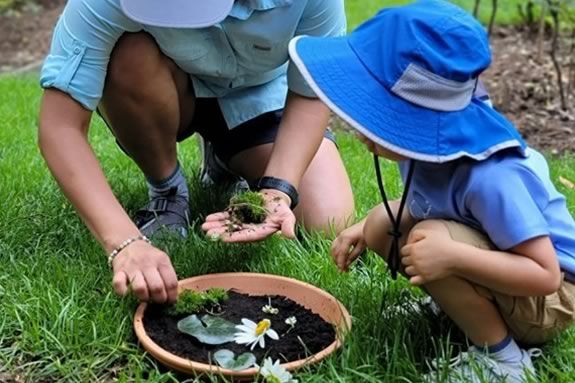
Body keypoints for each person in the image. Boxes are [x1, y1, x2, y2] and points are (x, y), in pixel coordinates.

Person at [289, 1, 575, 381]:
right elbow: (436, 204)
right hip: (509, 267)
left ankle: (503, 360)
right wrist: (366, 228)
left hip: (550, 300)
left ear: (415, 115)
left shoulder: (493, 177)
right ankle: (461, 307)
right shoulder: (426, 147)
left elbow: (545, 275)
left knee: (430, 239)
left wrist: (454, 258)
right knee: (381, 223)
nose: (358, 124)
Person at [38, 0, 354, 304]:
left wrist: (278, 190)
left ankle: (223, 157)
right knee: (127, 52)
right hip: (162, 84)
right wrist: (124, 241)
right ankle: (167, 190)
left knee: (327, 220)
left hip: (258, 95)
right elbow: (60, 126)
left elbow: (312, 92)